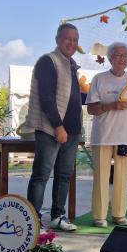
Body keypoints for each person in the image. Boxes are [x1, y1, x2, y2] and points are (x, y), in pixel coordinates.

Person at [26, 23, 83, 232]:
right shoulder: (48, 61)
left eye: (75, 40)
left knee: (64, 174)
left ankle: (58, 216)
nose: (72, 43)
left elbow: (75, 98)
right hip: (51, 129)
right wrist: (58, 126)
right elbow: (47, 97)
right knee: (41, 175)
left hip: (72, 131)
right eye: (68, 38)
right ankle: (33, 220)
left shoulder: (72, 65)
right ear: (57, 39)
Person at [86, 42, 127, 227]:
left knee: (121, 177)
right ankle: (99, 217)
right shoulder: (99, 78)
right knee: (102, 178)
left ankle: (119, 215)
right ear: (110, 58)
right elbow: (91, 109)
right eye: (118, 56)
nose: (122, 60)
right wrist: (112, 105)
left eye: (125, 57)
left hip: (125, 136)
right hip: (103, 136)